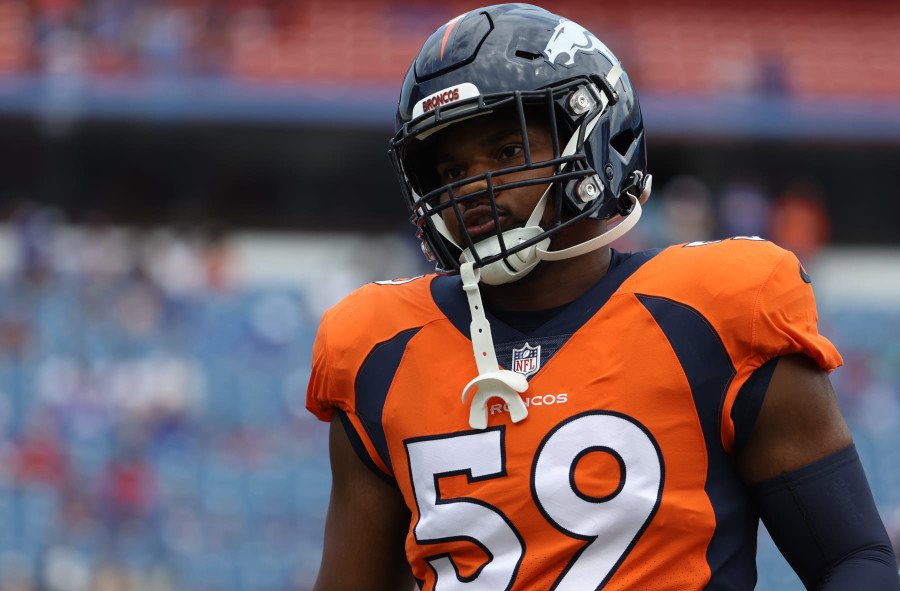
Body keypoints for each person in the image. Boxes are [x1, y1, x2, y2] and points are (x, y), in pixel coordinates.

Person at [306, 4, 899, 590]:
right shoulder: (378, 348)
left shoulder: (716, 310)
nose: (472, 186)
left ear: (593, 138)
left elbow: (855, 561)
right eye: (450, 168)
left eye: (508, 152)